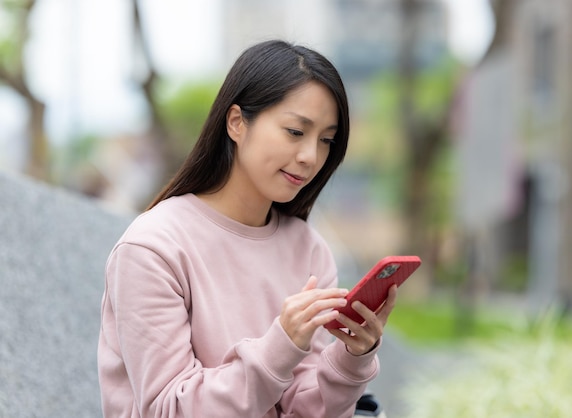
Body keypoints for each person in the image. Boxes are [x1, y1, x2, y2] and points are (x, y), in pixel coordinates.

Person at [97, 39, 397, 418]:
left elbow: (307, 410)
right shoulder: (153, 248)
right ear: (237, 122)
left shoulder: (309, 249)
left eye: (326, 140)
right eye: (294, 131)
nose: (310, 156)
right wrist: (281, 345)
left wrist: (352, 356)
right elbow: (167, 410)